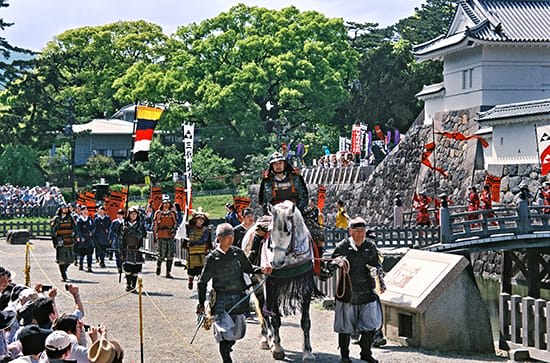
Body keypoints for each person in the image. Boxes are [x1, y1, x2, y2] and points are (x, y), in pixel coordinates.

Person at [197, 223, 272, 363]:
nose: (230, 239)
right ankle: (227, 359)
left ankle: (228, 347)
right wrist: (201, 304)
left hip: (238, 298)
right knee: (224, 333)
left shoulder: (237, 253)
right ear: (219, 238)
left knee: (237, 332)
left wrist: (262, 269)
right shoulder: (213, 258)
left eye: (232, 236)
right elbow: (202, 282)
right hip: (220, 299)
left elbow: (249, 268)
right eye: (227, 236)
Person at [331, 217, 386, 363]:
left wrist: (377, 269)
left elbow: (377, 262)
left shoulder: (370, 246)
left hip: (367, 291)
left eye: (362, 231)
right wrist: (338, 262)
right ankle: (344, 356)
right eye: (357, 231)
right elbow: (332, 262)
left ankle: (366, 353)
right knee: (345, 328)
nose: (360, 234)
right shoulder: (343, 246)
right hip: (348, 292)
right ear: (350, 231)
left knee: (370, 326)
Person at [118, 206, 146, 292]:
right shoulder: (124, 225)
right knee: (127, 268)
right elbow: (120, 238)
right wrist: (121, 250)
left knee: (136, 268)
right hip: (127, 249)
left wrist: (131, 231)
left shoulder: (140, 225)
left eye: (135, 214)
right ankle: (128, 284)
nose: (133, 216)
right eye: (131, 214)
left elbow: (141, 235)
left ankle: (133, 285)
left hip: (137, 249)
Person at [183, 210, 211, 290]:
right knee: (191, 270)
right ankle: (190, 281)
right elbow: (185, 235)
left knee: (201, 270)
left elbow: (204, 240)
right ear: (195, 220)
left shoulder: (205, 230)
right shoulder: (190, 228)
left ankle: (200, 284)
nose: (200, 221)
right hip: (192, 252)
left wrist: (194, 243)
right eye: (199, 219)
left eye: (202, 219)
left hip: (202, 252)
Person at [50, 204, 76, 282]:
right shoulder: (56, 218)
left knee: (70, 259)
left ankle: (64, 269)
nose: (65, 210)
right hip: (60, 239)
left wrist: (76, 235)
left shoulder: (70, 218)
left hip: (69, 239)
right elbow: (53, 231)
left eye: (66, 208)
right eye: (63, 208)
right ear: (60, 209)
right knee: (61, 258)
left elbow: (75, 227)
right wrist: (55, 240)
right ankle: (63, 275)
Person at [153, 197, 178, 279]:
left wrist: (174, 230)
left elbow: (175, 223)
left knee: (170, 255)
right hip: (161, 235)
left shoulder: (172, 213)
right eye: (165, 203)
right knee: (161, 254)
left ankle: (168, 272)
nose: (166, 205)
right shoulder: (159, 213)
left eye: (168, 203)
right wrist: (155, 236)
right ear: (162, 204)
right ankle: (158, 266)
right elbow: (155, 224)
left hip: (170, 236)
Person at [75, 206, 95, 273]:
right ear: (81, 211)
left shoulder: (90, 219)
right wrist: (81, 237)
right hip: (82, 238)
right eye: (83, 210)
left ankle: (89, 267)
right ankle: (81, 264)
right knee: (82, 253)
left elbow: (93, 227)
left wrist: (92, 232)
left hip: (89, 238)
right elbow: (78, 230)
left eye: (86, 210)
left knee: (90, 253)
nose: (85, 211)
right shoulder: (79, 220)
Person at [107, 210, 125, 275]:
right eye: (118, 214)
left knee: (123, 254)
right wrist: (110, 239)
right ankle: (119, 267)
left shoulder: (125, 222)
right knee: (117, 255)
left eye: (121, 214)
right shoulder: (114, 222)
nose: (119, 216)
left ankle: (123, 266)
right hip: (116, 240)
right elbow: (111, 231)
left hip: (123, 240)